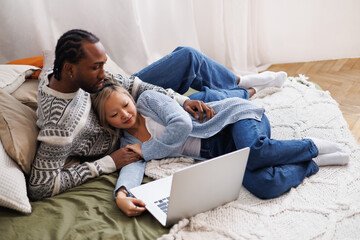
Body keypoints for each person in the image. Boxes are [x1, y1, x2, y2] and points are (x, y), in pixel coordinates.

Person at [29, 29, 287, 201]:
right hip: (119, 121)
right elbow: (40, 185)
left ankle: (240, 83)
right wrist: (108, 163)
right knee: (208, 103)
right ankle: (244, 92)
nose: (104, 73)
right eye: (96, 67)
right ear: (71, 70)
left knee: (187, 58)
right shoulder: (59, 127)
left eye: (103, 65)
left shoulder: (60, 74)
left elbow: (130, 85)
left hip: (117, 102)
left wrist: (181, 100)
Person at [92, 84, 350, 217]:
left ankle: (311, 145)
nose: (124, 114)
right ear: (107, 122)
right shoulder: (127, 142)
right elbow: (131, 166)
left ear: (130, 97)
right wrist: (122, 194)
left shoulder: (148, 101)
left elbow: (181, 125)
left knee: (257, 152)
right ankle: (312, 164)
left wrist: (146, 151)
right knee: (264, 185)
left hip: (234, 120)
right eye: (114, 115)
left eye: (125, 105)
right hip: (225, 152)